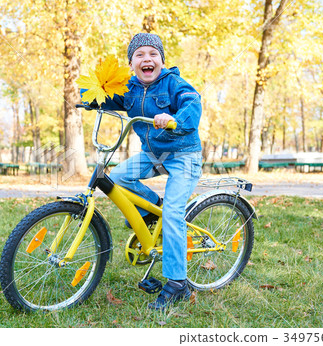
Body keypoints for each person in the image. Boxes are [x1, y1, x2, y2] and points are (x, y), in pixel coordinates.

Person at [95, 33, 202, 310]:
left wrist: (174, 119)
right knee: (115, 178)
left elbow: (193, 104)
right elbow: (106, 99)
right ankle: (152, 208)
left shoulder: (174, 84)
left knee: (174, 214)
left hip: (183, 155)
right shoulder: (130, 88)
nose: (147, 59)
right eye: (140, 55)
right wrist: (92, 98)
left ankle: (178, 283)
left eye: (153, 54)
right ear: (131, 64)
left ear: (162, 61)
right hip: (152, 155)